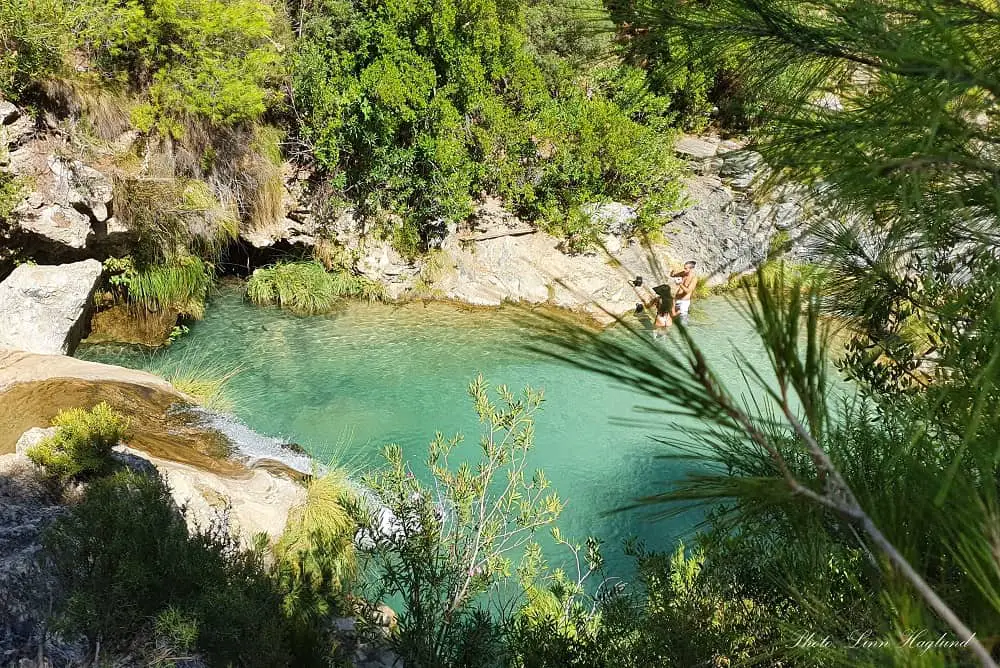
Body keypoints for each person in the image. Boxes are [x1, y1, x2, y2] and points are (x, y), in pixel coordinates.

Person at [671, 261, 698, 325]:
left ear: (691, 269)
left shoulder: (694, 278)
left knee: (683, 323)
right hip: (676, 299)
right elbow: (673, 275)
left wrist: (680, 284)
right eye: (684, 268)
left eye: (686, 268)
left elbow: (688, 291)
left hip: (684, 302)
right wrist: (672, 272)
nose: (684, 270)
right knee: (673, 318)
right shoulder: (683, 273)